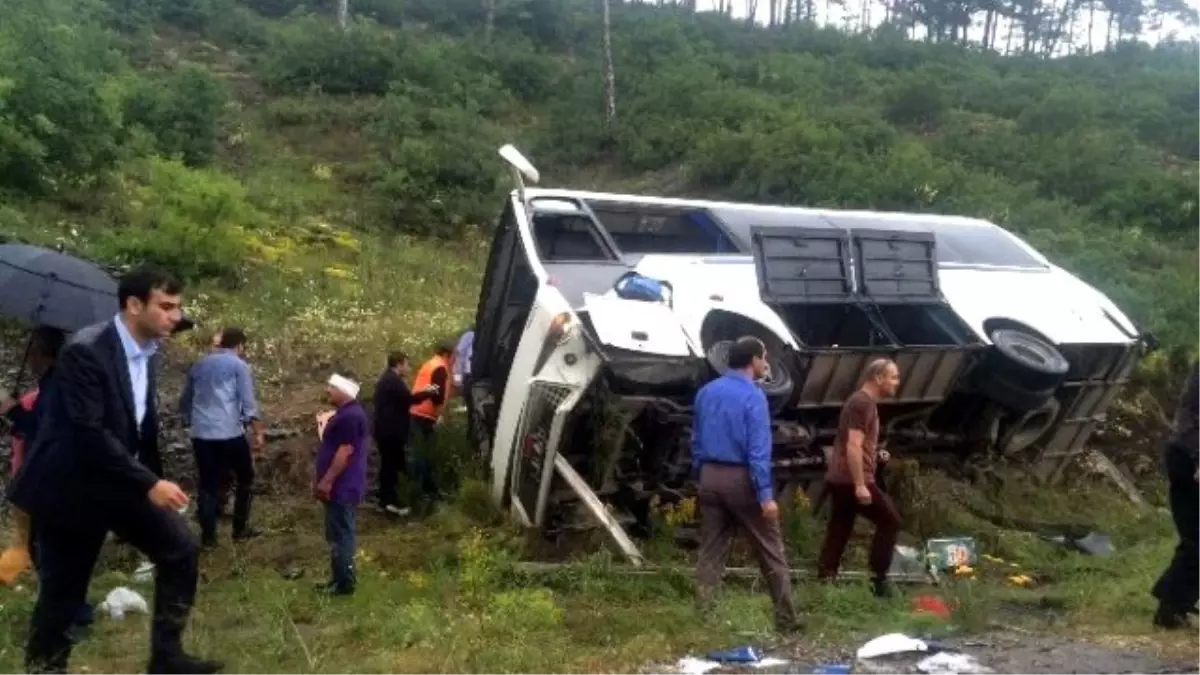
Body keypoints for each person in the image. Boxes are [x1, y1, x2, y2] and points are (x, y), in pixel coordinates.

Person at [6, 266, 221, 675]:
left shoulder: (146, 352)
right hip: (71, 487)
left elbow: (139, 427)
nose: (176, 316)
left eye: (178, 306)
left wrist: (153, 480)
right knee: (62, 598)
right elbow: (89, 433)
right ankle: (45, 669)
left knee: (180, 548)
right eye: (167, 306)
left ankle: (167, 657)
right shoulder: (86, 351)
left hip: (118, 481)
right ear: (134, 304)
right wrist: (150, 482)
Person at [692, 336, 801, 633]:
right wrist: (765, 496)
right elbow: (757, 451)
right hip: (741, 480)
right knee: (770, 549)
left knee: (711, 550)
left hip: (710, 477)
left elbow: (696, 441)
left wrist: (700, 474)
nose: (766, 363)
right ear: (753, 360)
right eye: (764, 357)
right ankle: (787, 620)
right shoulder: (754, 396)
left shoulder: (706, 393)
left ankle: (704, 617)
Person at [817, 358, 902, 599]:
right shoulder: (861, 403)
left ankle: (825, 578)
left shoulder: (863, 403)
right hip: (851, 479)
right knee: (890, 520)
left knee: (840, 527)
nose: (896, 382)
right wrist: (860, 484)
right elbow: (853, 446)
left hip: (841, 477)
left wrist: (875, 454)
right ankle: (878, 581)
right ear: (878, 378)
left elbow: (856, 444)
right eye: (893, 377)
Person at [179, 326, 265, 548]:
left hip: (202, 435)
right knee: (245, 478)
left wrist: (193, 421)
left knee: (207, 484)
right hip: (229, 433)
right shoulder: (239, 366)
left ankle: (208, 539)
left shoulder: (199, 365)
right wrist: (258, 431)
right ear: (240, 345)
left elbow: (185, 402)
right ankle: (240, 529)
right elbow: (248, 402)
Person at [0, 326, 66, 585]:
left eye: (32, 353)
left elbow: (41, 430)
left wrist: (13, 410)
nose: (28, 361)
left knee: (41, 539)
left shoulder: (52, 388)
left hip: (45, 474)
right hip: (46, 473)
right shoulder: (56, 383)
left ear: (40, 353)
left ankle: (55, 597)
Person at [1151, 360, 1200, 629]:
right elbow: (1191, 418)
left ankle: (1174, 604)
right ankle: (1170, 608)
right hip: (1188, 460)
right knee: (1197, 540)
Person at [314, 373, 369, 596]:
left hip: (341, 485)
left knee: (342, 535)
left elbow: (344, 452)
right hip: (339, 485)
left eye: (332, 387)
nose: (328, 390)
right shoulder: (347, 414)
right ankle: (337, 578)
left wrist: (327, 481)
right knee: (335, 534)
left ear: (345, 390)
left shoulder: (350, 417)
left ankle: (345, 584)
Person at [372, 351, 440, 517]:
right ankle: (390, 502)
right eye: (407, 364)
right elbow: (409, 399)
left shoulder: (387, 379)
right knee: (391, 466)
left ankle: (385, 500)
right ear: (399, 364)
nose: (408, 368)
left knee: (390, 465)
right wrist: (428, 392)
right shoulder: (393, 381)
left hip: (385, 430)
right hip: (390, 432)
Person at [408, 340, 455, 502]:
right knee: (424, 453)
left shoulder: (431, 363)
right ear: (447, 355)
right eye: (453, 357)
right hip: (425, 415)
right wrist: (439, 414)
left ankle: (422, 489)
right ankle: (425, 492)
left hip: (416, 411)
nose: (454, 361)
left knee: (420, 452)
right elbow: (437, 392)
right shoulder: (440, 367)